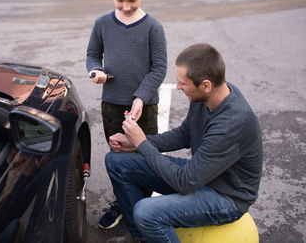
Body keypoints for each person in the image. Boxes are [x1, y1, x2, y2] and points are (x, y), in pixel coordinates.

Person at [106, 43, 263, 242]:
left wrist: (142, 142)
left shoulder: (231, 123)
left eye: (183, 83)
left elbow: (184, 182)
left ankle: (149, 229)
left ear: (206, 85)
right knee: (116, 161)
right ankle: (142, 238)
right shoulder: (208, 97)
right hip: (204, 175)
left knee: (146, 212)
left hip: (226, 197)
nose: (178, 87)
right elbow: (184, 135)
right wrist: (134, 142)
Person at [85, 0, 167, 229]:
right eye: (120, 0)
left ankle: (145, 207)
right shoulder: (102, 24)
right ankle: (124, 202)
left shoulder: (153, 27)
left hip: (145, 106)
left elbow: (159, 68)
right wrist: (95, 71)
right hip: (111, 104)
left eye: (132, 0)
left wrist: (140, 96)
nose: (127, 6)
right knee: (118, 156)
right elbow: (92, 55)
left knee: (145, 157)